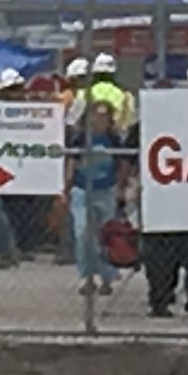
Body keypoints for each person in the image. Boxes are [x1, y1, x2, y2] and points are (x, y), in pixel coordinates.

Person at [62, 102, 125, 298]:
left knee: (106, 234)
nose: (99, 121)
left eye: (104, 117)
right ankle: (86, 275)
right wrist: (67, 188)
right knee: (83, 232)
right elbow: (71, 163)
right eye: (95, 116)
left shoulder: (113, 139)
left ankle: (107, 275)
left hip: (106, 190)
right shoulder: (80, 139)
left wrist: (121, 188)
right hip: (82, 191)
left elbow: (121, 163)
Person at [86, 53, 136, 135]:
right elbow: (129, 122)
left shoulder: (86, 92)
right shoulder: (125, 95)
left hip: (88, 140)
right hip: (115, 140)